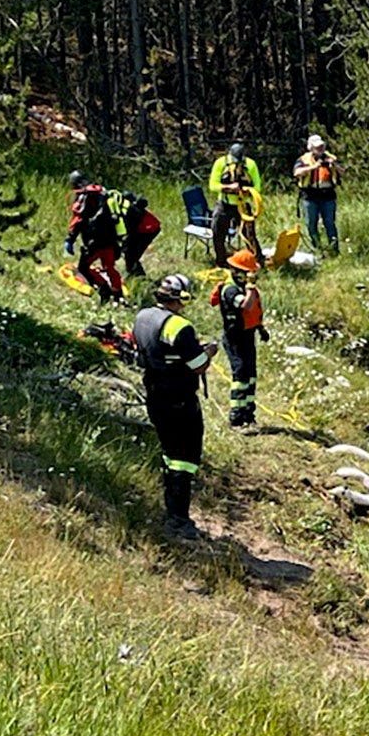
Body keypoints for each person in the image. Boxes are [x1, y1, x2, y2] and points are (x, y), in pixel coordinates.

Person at [133, 274, 218, 539]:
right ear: (181, 298)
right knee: (185, 457)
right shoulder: (180, 326)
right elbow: (198, 365)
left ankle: (171, 510)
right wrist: (209, 352)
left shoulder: (143, 316)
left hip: (154, 394)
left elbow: (158, 349)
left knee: (170, 453)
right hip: (179, 399)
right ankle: (178, 519)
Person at [209, 248, 269, 429]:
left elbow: (253, 314)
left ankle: (248, 414)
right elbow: (247, 305)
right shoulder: (230, 289)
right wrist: (250, 286)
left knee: (250, 374)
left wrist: (261, 329)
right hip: (234, 337)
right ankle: (236, 416)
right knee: (240, 373)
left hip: (248, 335)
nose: (251, 276)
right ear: (237, 271)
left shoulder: (244, 287)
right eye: (248, 272)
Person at [66, 171, 125, 303]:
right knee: (109, 267)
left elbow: (78, 219)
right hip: (111, 239)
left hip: (94, 240)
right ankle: (118, 295)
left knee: (83, 268)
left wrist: (70, 239)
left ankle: (104, 290)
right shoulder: (103, 193)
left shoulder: (84, 196)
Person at [207, 141, 263, 267]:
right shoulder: (221, 163)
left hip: (243, 205)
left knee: (249, 234)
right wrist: (229, 187)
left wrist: (247, 190)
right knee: (217, 231)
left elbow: (258, 186)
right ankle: (221, 260)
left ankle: (256, 259)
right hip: (224, 203)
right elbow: (213, 185)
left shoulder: (251, 164)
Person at [292, 134, 341, 255]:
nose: (320, 149)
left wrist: (333, 165)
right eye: (317, 147)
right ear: (311, 148)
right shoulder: (303, 160)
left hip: (328, 195)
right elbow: (296, 173)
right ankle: (317, 249)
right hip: (310, 196)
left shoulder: (331, 158)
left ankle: (334, 249)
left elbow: (343, 171)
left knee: (330, 223)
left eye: (322, 146)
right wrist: (313, 167)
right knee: (311, 224)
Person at [115, 191, 161, 277]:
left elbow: (130, 229)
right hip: (143, 228)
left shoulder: (132, 212)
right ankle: (134, 273)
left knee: (131, 254)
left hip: (148, 229)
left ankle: (138, 276)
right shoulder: (127, 209)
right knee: (128, 252)